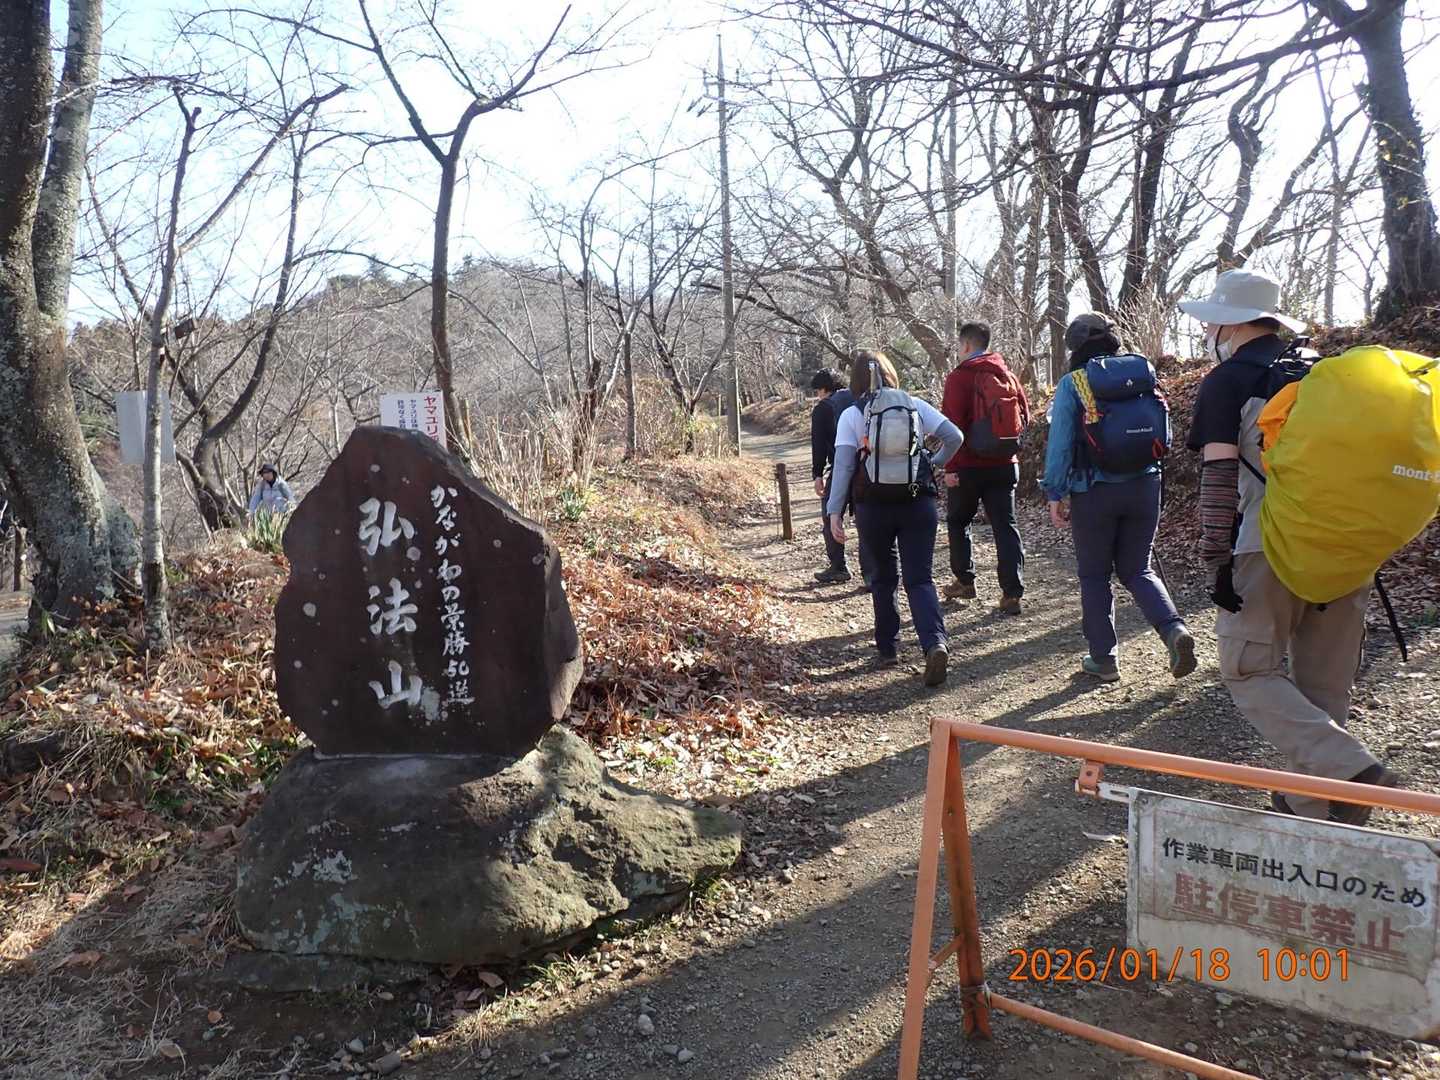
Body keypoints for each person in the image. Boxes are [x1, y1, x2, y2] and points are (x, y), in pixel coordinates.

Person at [1180, 268, 1398, 824]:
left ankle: (1351, 773)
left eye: (1211, 322)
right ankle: (1312, 806)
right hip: (1347, 550)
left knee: (1248, 669)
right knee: (1324, 684)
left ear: (1230, 324)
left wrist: (1217, 558)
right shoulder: (1325, 373)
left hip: (1268, 543)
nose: (1207, 331)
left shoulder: (1228, 381)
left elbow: (1219, 477)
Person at [1042, 313, 1195, 683]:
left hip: (1094, 490)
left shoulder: (1075, 383)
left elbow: (1060, 444)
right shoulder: (1141, 374)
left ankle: (1104, 659)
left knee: (1095, 575)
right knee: (1138, 569)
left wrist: (1055, 491)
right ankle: (1174, 630)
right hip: (1145, 484)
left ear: (1075, 347)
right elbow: (1165, 433)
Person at [827, 350, 963, 686]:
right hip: (918, 500)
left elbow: (843, 467)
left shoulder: (851, 414)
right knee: (920, 579)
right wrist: (932, 462)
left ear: (856, 381)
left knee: (883, 578)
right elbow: (955, 437)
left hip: (873, 506)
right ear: (891, 374)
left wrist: (834, 512)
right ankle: (934, 643)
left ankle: (888, 648)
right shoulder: (914, 405)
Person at [939, 321, 1028, 613]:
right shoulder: (1007, 375)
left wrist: (950, 467)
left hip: (968, 465)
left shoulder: (959, 378)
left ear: (966, 345)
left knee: (958, 521)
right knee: (1006, 525)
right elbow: (1024, 418)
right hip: (1005, 464)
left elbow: (952, 426)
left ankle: (965, 581)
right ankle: (1012, 594)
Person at [809, 368, 860, 584]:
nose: (817, 395)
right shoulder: (859, 400)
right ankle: (872, 573)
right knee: (866, 519)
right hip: (868, 468)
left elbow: (818, 444)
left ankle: (839, 566)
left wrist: (817, 474)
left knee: (830, 515)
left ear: (823, 389)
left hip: (840, 468)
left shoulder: (823, 408)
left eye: (817, 391)